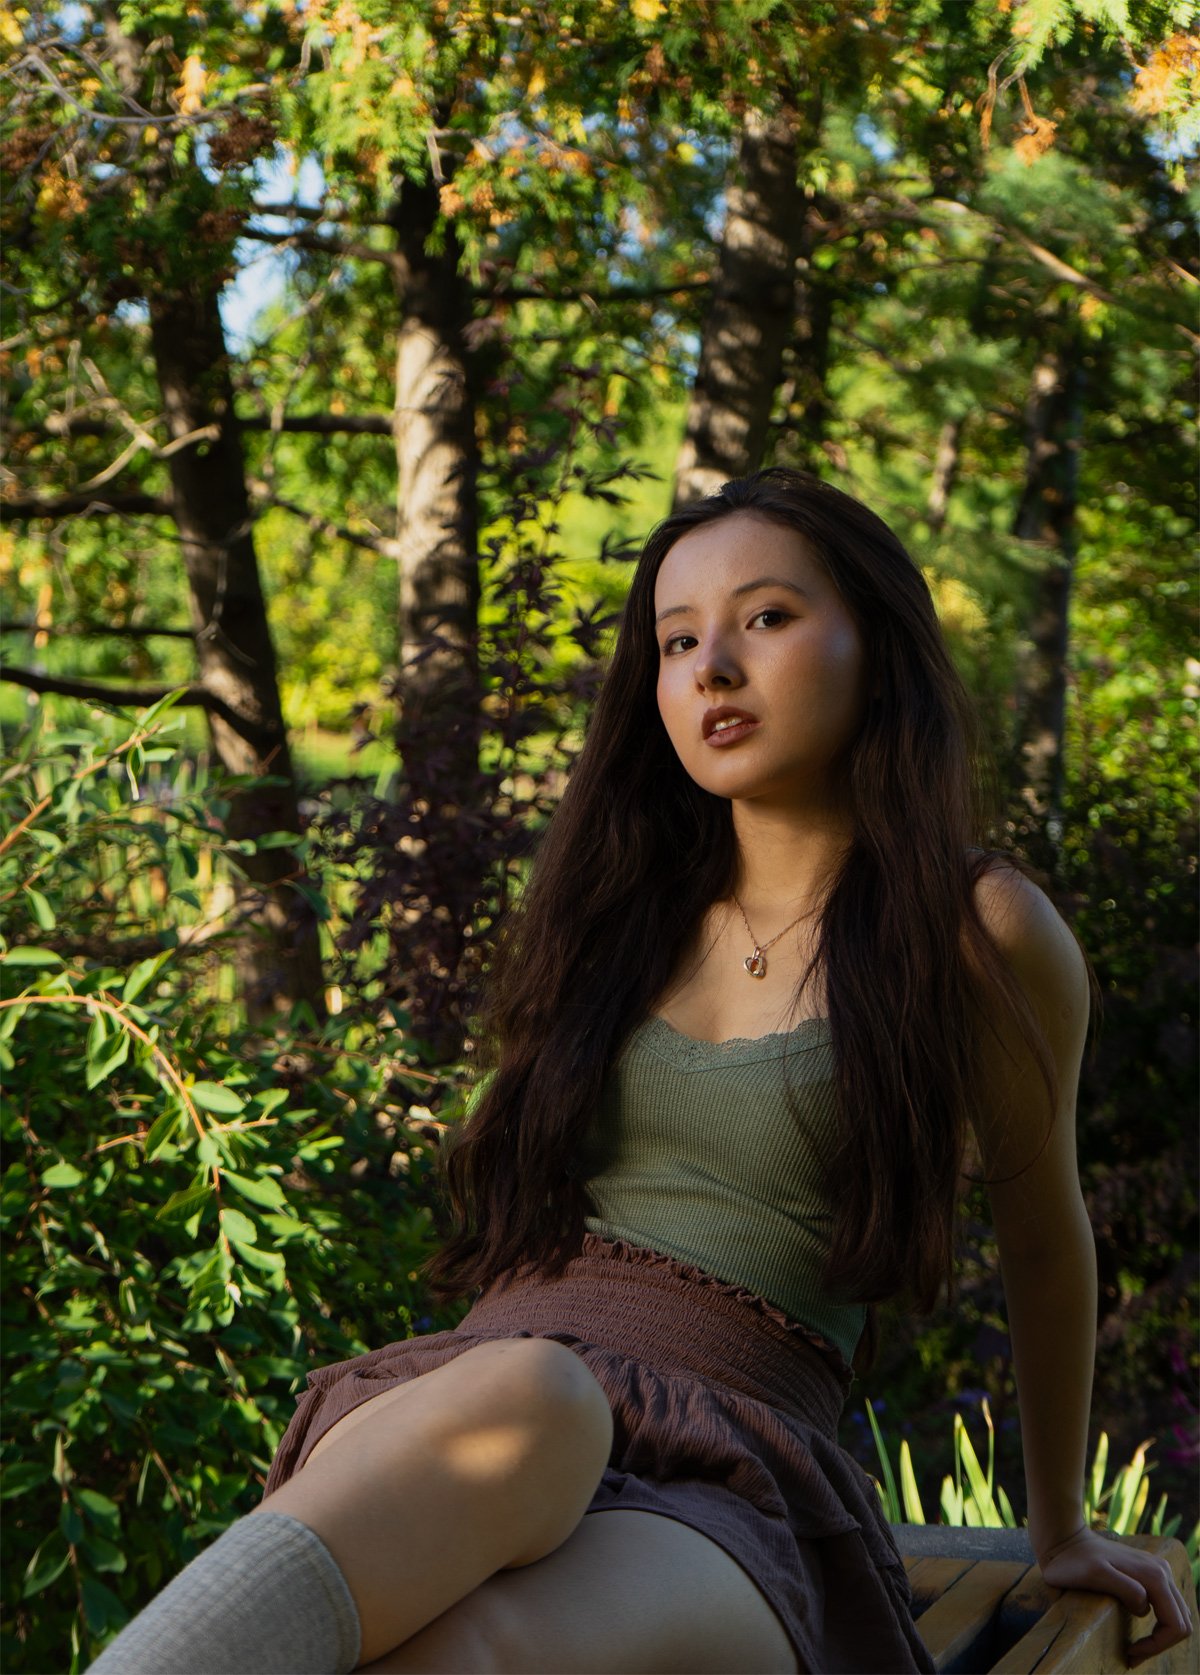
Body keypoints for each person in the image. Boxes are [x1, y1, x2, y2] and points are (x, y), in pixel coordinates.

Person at [90, 468, 1193, 1675]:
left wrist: (1060, 1524)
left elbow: (1045, 1232)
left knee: (478, 1646)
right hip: (494, 1406)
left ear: (877, 645)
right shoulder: (616, 909)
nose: (714, 666)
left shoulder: (975, 930)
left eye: (765, 618)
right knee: (537, 1398)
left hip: (738, 1463)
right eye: (678, 641)